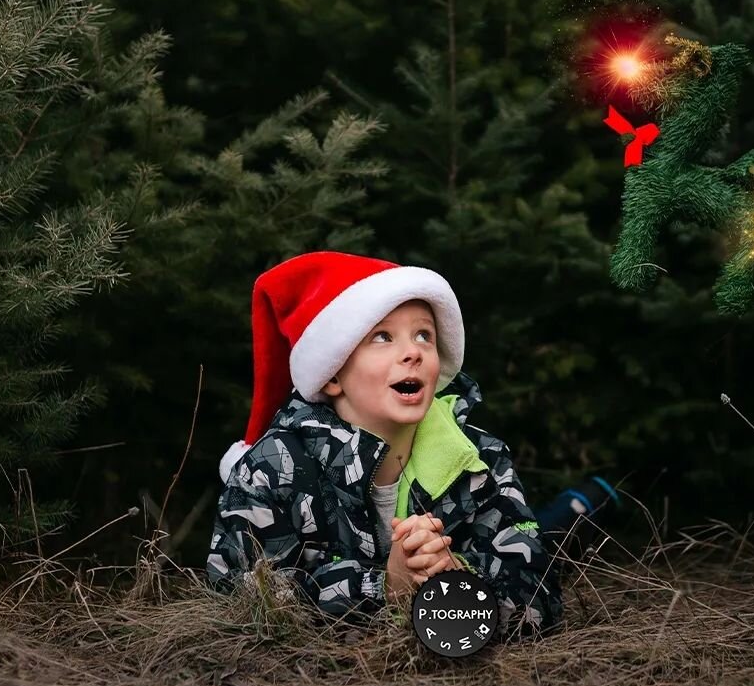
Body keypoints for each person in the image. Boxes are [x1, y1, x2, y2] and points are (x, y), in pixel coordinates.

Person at [206, 250, 564, 640]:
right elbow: (238, 602)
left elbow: (541, 593)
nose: (413, 352)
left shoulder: (480, 462)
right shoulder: (272, 470)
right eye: (383, 337)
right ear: (332, 374)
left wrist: (457, 576)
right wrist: (383, 587)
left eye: (424, 335)